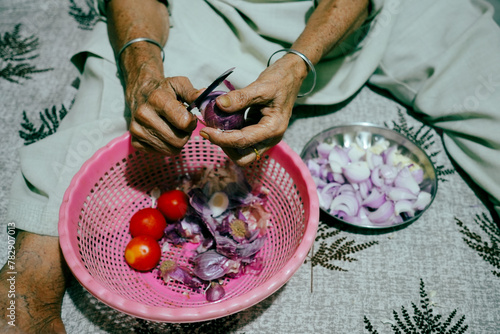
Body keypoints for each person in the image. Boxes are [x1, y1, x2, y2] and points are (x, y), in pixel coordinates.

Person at [1, 0, 499, 332]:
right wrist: (141, 70)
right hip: (219, 10)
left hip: (376, 12)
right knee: (120, 100)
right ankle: (27, 288)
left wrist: (299, 61)